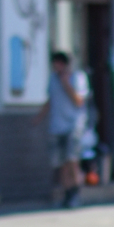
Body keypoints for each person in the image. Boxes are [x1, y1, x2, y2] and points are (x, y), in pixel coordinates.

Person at [47, 51, 89, 208]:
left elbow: (79, 101)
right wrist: (38, 118)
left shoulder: (78, 78)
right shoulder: (52, 79)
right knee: (62, 163)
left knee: (72, 161)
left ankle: (76, 193)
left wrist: (66, 83)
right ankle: (66, 194)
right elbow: (50, 100)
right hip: (57, 126)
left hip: (74, 125)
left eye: (59, 64)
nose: (56, 67)